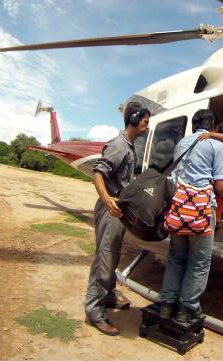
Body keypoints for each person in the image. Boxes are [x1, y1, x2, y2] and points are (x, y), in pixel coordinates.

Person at [159, 109, 223, 323]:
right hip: (201, 210)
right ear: (212, 126)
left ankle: (166, 305)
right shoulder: (217, 145)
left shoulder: (182, 143)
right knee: (199, 261)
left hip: (179, 207)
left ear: (194, 125)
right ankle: (187, 308)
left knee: (176, 257)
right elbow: (221, 186)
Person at [84, 103, 150, 336]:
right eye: (145, 121)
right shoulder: (119, 145)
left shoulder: (129, 147)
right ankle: (94, 311)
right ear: (133, 119)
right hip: (110, 209)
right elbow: (98, 172)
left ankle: (109, 296)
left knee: (112, 256)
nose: (147, 126)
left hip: (118, 211)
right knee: (105, 258)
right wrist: (107, 198)